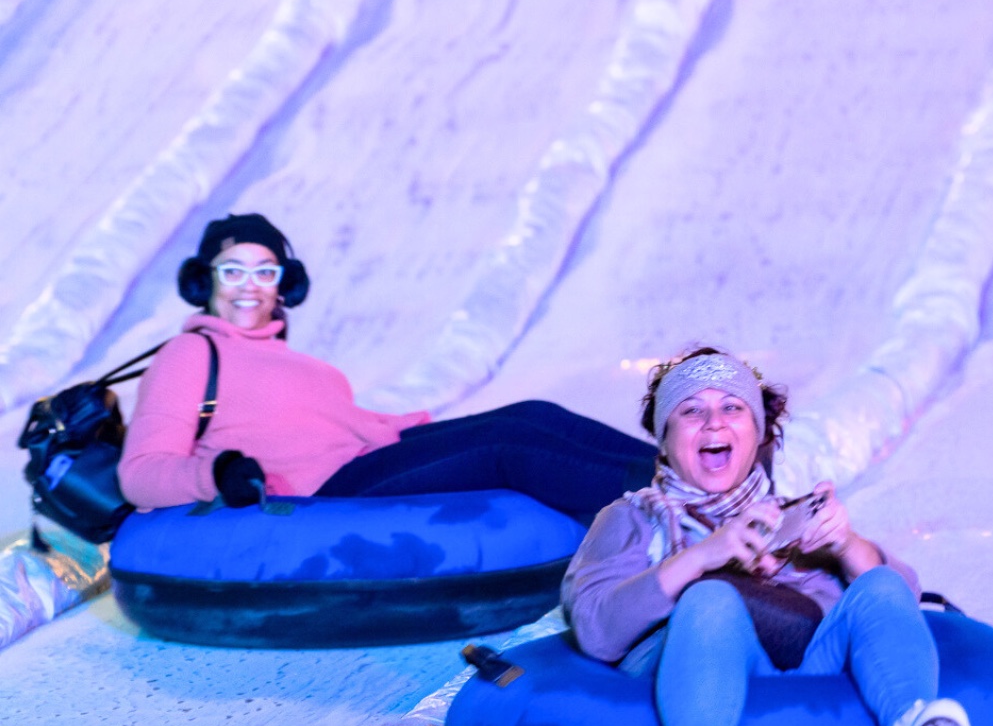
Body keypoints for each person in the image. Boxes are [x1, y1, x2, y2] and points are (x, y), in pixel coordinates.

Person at [561, 346, 972, 726]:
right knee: (712, 597)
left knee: (881, 584)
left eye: (732, 407)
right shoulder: (631, 519)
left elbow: (902, 600)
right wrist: (702, 557)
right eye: (691, 410)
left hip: (810, 667)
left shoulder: (789, 517)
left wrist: (845, 544)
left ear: (756, 434)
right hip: (698, 669)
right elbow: (597, 629)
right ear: (664, 441)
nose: (713, 421)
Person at [117, 213, 655, 522]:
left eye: (265, 271)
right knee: (507, 448)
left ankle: (681, 469)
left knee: (529, 414)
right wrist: (216, 475)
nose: (248, 286)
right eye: (231, 271)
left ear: (285, 283)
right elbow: (140, 474)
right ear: (203, 280)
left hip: (366, 457)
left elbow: (328, 427)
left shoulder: (286, 357)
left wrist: (403, 429)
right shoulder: (190, 353)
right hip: (323, 491)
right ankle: (675, 502)